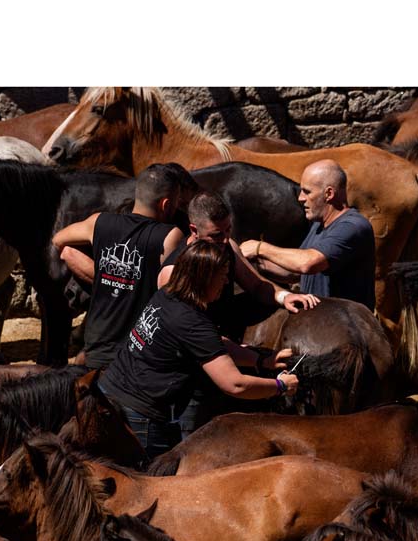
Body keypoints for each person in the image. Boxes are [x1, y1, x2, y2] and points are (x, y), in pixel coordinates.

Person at [98, 239, 300, 462]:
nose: (226, 282)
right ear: (205, 278)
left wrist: (260, 360)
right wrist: (280, 386)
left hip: (110, 394)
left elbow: (212, 345)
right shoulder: (191, 321)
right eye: (222, 276)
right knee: (151, 480)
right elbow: (235, 384)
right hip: (141, 416)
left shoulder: (167, 296)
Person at [158, 192, 318, 432]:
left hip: (225, 353)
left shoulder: (227, 247)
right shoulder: (173, 274)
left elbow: (256, 285)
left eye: (228, 230)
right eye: (216, 235)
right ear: (193, 230)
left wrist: (283, 296)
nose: (224, 240)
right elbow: (193, 341)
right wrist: (267, 372)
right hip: (192, 377)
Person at [51, 163, 186, 370]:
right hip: (140, 350)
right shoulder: (170, 236)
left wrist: (104, 274)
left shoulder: (99, 222)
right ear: (166, 204)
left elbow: (59, 241)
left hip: (97, 346)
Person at [239, 159, 376, 310]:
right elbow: (294, 273)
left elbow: (307, 264)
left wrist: (259, 248)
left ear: (329, 193)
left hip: (347, 321)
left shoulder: (352, 226)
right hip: (320, 320)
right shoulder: (318, 226)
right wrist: (251, 264)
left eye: (307, 192)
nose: (300, 198)